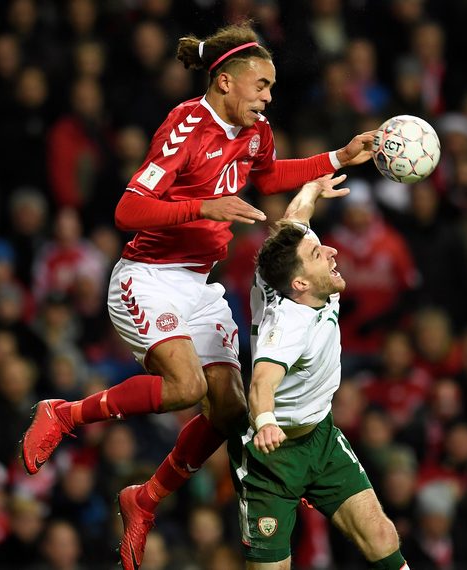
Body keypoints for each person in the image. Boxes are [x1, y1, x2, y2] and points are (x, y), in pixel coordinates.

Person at [19, 22, 375, 569]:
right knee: (186, 387)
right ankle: (64, 414)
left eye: (272, 88)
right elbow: (127, 210)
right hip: (148, 276)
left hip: (198, 283)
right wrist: (204, 206)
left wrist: (337, 157)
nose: (268, 97)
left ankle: (144, 499)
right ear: (226, 81)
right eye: (261, 85)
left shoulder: (256, 131)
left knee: (231, 410)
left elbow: (268, 177)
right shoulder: (185, 126)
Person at [227, 175, 408, 569]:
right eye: (318, 253)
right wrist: (266, 422)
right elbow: (261, 383)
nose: (331, 250)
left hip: (320, 437)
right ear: (300, 283)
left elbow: (295, 217)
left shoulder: (299, 273)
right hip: (272, 456)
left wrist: (312, 189)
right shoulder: (287, 326)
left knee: (381, 535)